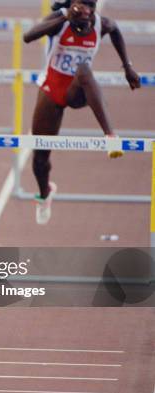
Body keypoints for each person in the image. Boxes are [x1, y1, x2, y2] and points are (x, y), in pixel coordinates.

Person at [24, 0, 141, 225]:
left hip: (77, 89)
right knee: (40, 159)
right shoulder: (60, 19)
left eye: (91, 5)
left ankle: (110, 136)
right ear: (73, 4)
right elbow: (27, 37)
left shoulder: (101, 24)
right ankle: (45, 193)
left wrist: (127, 67)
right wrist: (64, 18)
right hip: (52, 88)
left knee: (85, 71)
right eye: (82, 4)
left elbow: (115, 30)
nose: (86, 10)